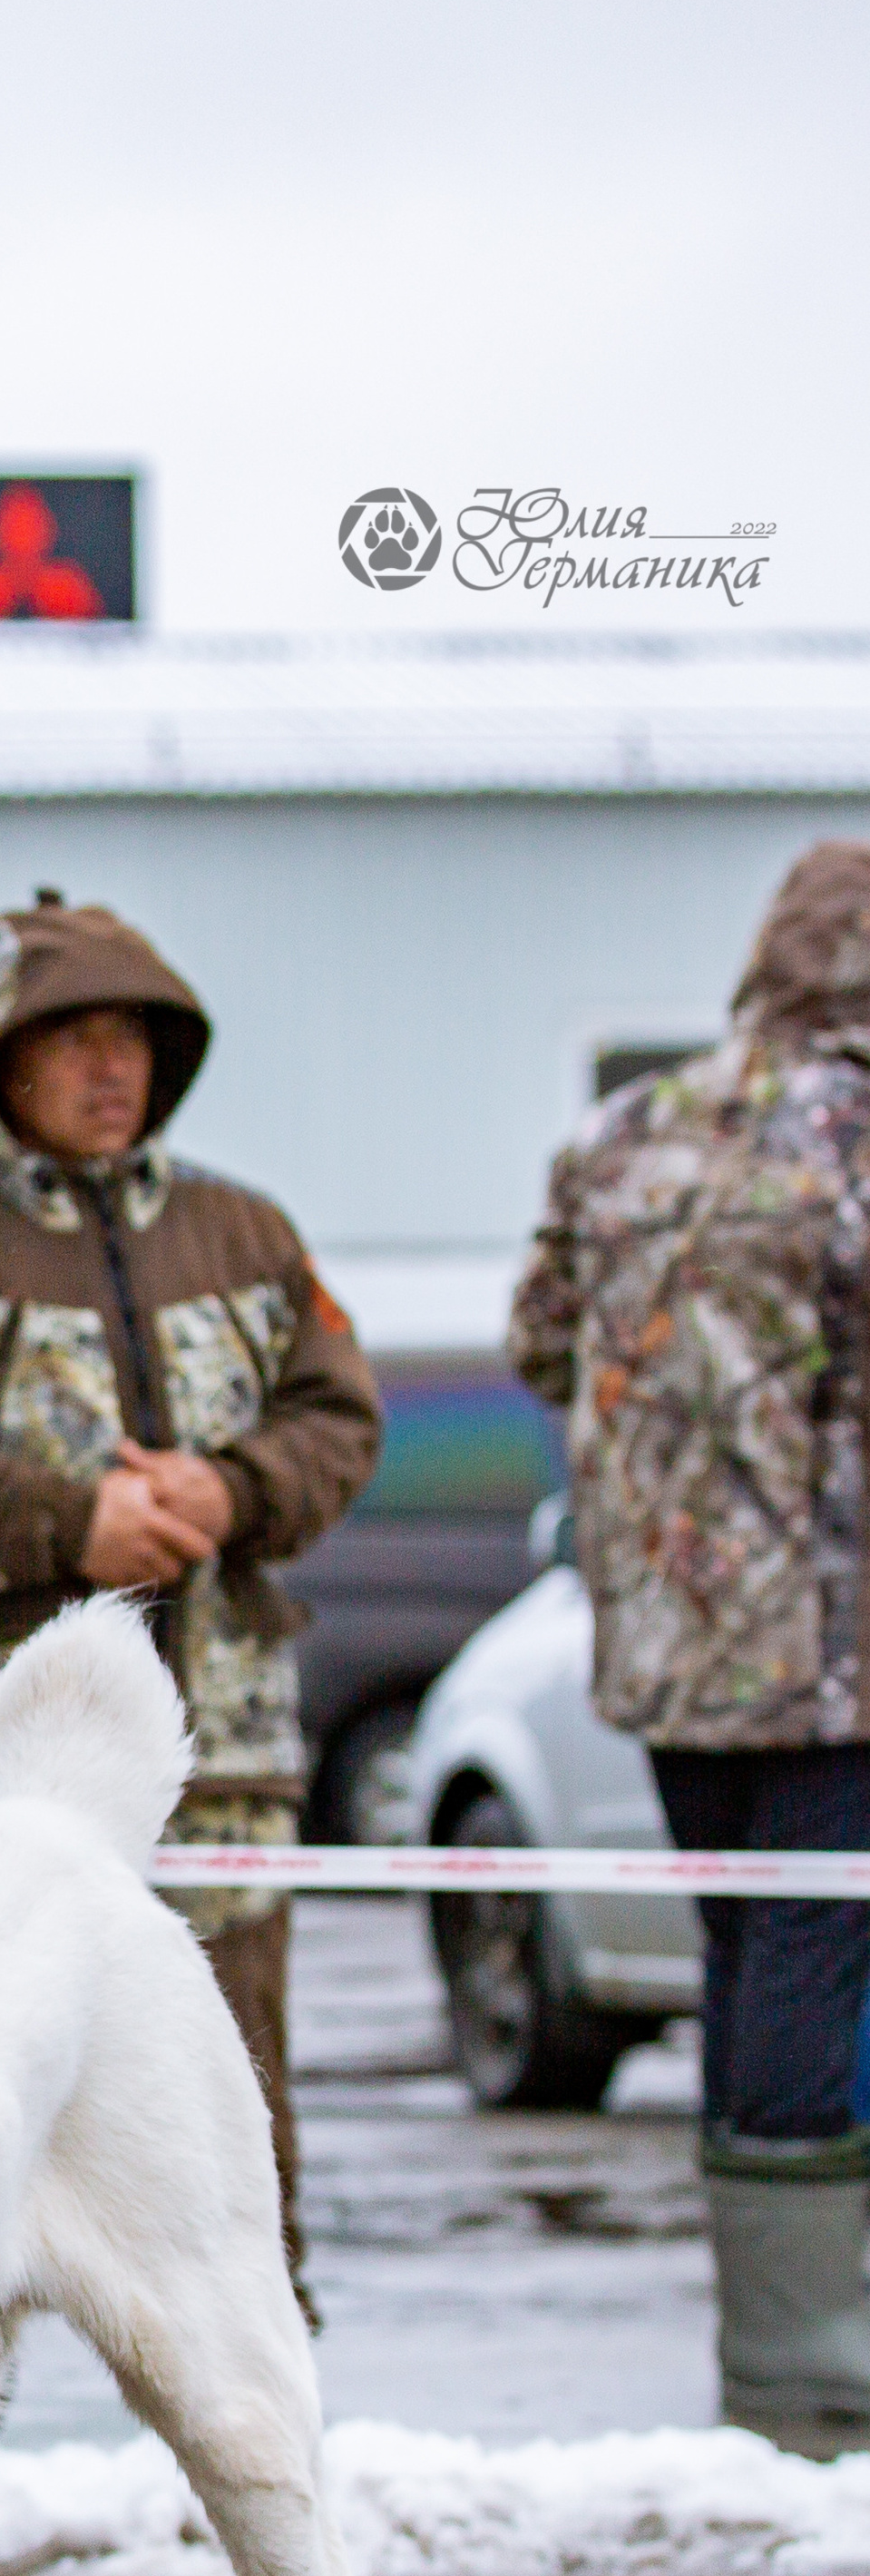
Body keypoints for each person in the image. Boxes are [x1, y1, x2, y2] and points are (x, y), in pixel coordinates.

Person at [0, 890, 382, 2302]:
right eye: (71, 1037)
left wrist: (229, 1493)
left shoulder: (247, 1232)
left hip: (218, 1754)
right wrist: (75, 1522)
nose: (109, 1065)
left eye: (134, 1035)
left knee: (232, 2076)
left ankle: (259, 2370)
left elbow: (337, 1414)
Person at [509, 840, 870, 2440]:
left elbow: (539, 1335)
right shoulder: (856, 1135)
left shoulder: (623, 1129)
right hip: (835, 1640)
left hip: (659, 1640)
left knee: (743, 1949)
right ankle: (806, 2373)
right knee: (814, 1953)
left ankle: (773, 2358)